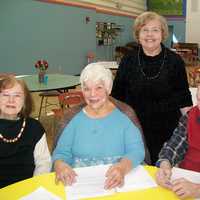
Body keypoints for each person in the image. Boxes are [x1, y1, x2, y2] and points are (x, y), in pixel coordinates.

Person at [111, 11, 193, 164]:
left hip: (168, 132)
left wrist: (193, 128)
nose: (150, 34)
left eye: (155, 30)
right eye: (145, 30)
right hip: (134, 130)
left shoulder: (175, 61)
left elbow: (184, 99)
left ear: (162, 34)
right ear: (138, 34)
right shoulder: (128, 61)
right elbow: (116, 98)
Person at [52, 63, 145, 189]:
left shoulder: (125, 116)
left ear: (109, 89)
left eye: (99, 88)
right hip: (79, 185)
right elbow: (61, 153)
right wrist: (60, 165)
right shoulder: (72, 119)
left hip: (119, 182)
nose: (92, 94)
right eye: (87, 89)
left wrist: (122, 167)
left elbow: (137, 150)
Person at [0, 75, 51, 188]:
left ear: (25, 101)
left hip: (28, 189)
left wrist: (35, 189)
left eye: (17, 96)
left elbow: (43, 163)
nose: (11, 100)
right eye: (5, 95)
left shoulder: (34, 128)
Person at [156, 85, 200, 199]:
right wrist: (165, 164)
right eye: (199, 99)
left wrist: (198, 190)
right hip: (186, 179)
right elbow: (173, 146)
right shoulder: (191, 115)